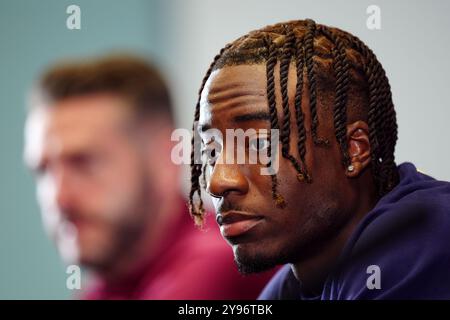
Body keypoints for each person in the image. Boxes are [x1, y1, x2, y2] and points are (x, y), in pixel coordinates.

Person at [190, 19, 450, 299]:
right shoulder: (296, 281)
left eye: (259, 144)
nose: (218, 181)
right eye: (211, 152)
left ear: (354, 150)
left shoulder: (421, 238)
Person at [24, 54, 274, 299]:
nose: (58, 198)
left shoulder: (218, 262)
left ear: (165, 160)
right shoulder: (104, 287)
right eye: (43, 170)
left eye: (83, 163)